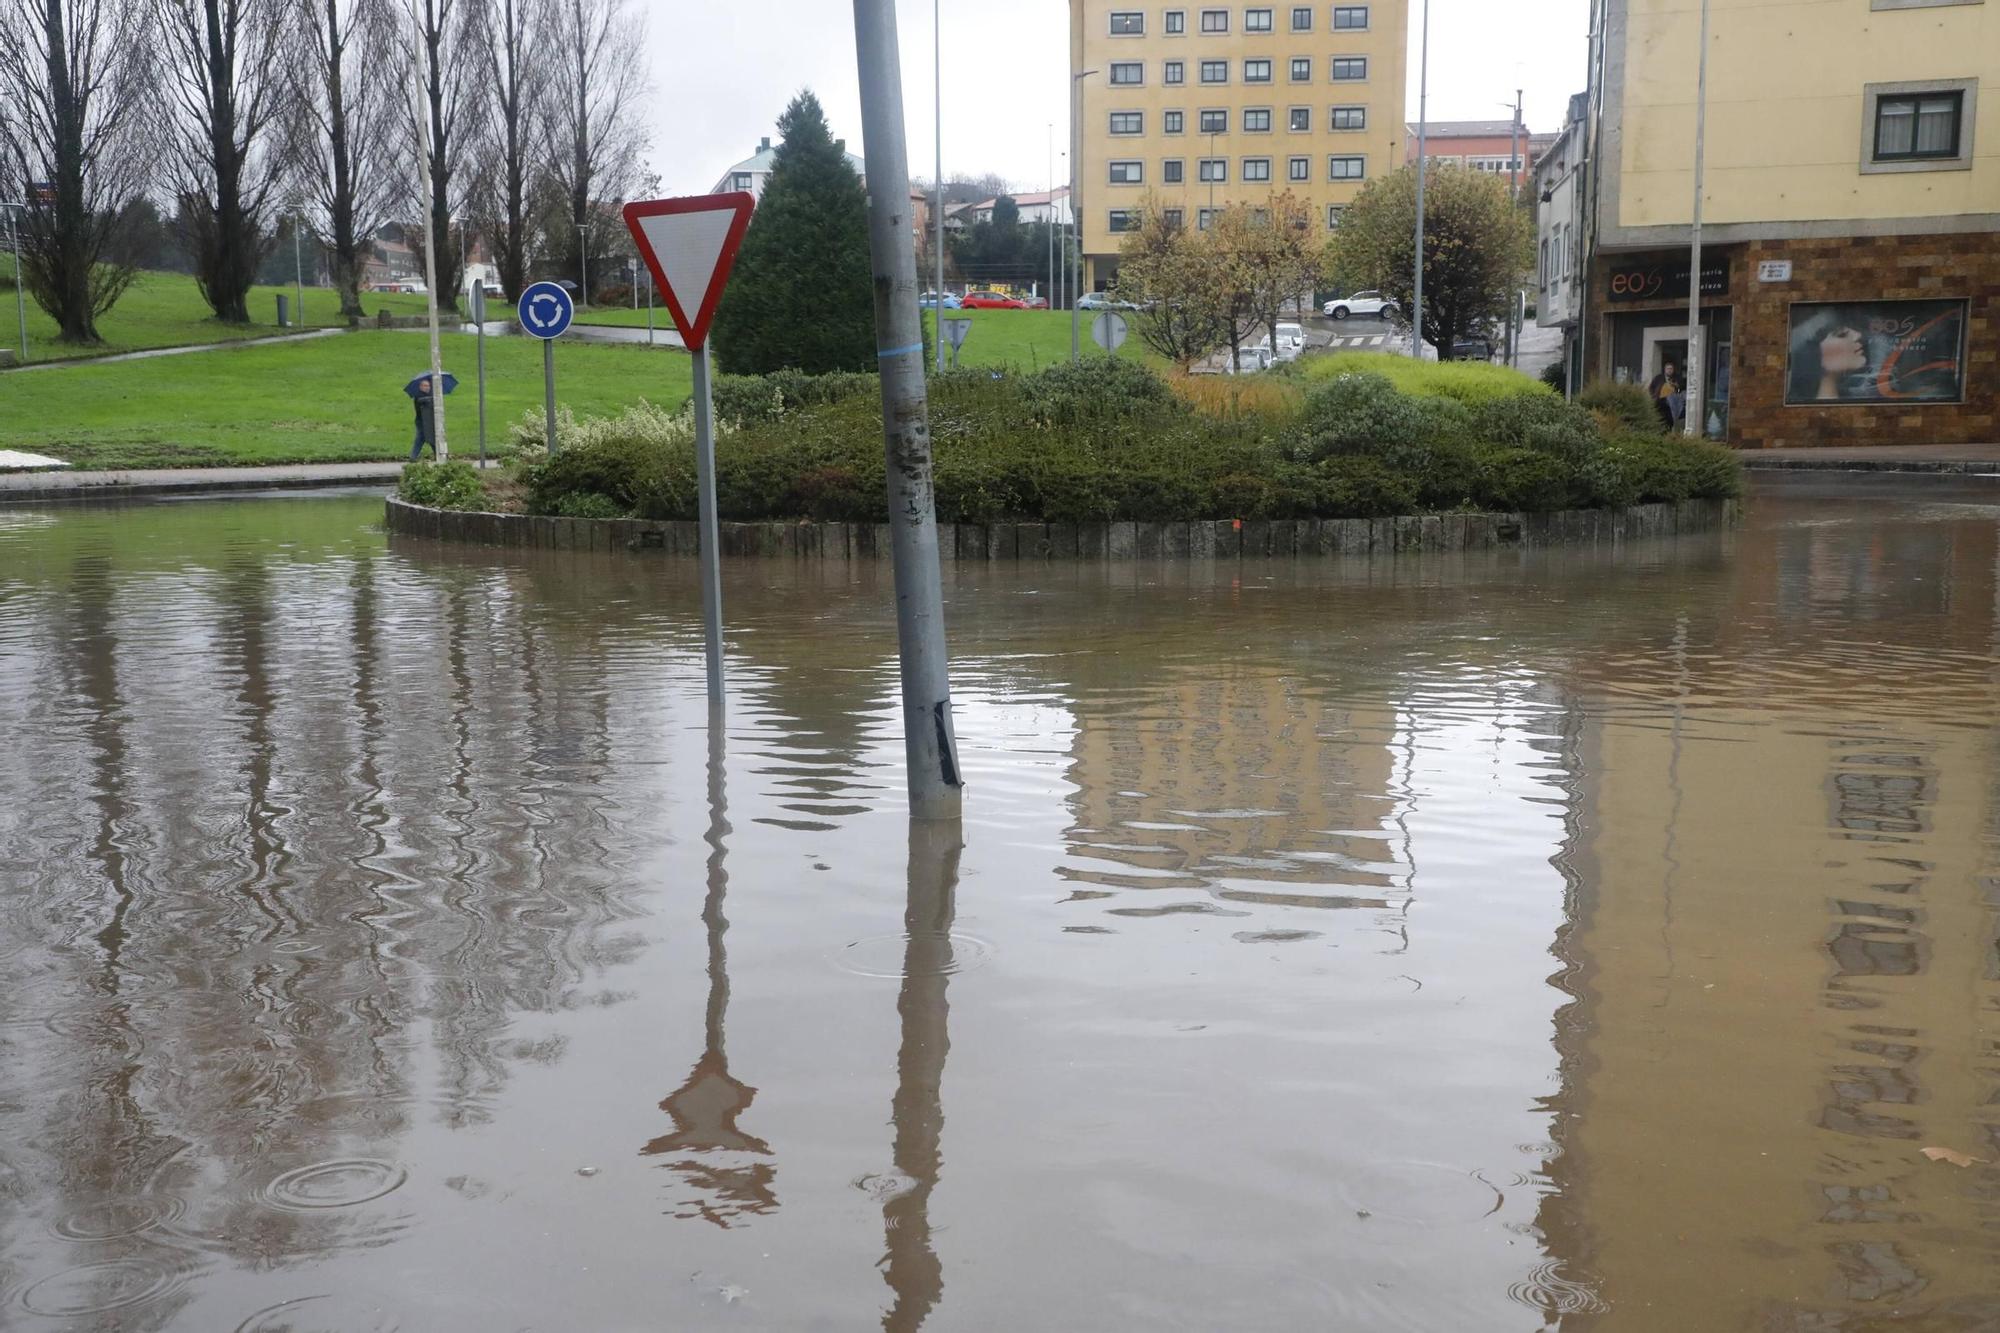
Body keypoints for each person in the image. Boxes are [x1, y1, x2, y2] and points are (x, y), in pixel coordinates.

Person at [1648, 361, 1682, 431]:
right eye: (1668, 369)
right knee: (1659, 417)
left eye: (1671, 369)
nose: (1669, 370)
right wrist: (1653, 395)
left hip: (1671, 402)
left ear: (1673, 370)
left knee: (1670, 419)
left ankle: (1669, 430)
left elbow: (1680, 390)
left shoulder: (1677, 378)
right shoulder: (1658, 378)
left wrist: (1676, 387)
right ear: (1665, 369)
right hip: (1660, 401)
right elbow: (1651, 387)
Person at [410, 376, 437, 461]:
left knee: (432, 438)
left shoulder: (429, 394)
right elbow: (421, 400)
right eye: (425, 386)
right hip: (421, 421)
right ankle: (413, 456)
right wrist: (432, 398)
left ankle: (438, 455)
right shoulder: (418, 395)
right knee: (420, 438)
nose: (427, 387)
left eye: (428, 386)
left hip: (429, 421)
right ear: (420, 387)